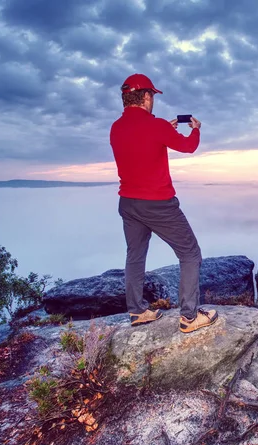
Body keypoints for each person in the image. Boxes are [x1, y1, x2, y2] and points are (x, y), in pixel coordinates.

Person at [110, 73, 218, 333]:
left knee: (135, 257)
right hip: (158, 204)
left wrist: (163, 131)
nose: (153, 100)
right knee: (190, 254)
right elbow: (188, 147)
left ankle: (137, 311)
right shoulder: (156, 126)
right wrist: (196, 129)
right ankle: (190, 318)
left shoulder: (116, 127)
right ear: (146, 96)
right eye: (152, 96)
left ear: (126, 98)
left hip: (128, 203)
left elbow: (139, 149)